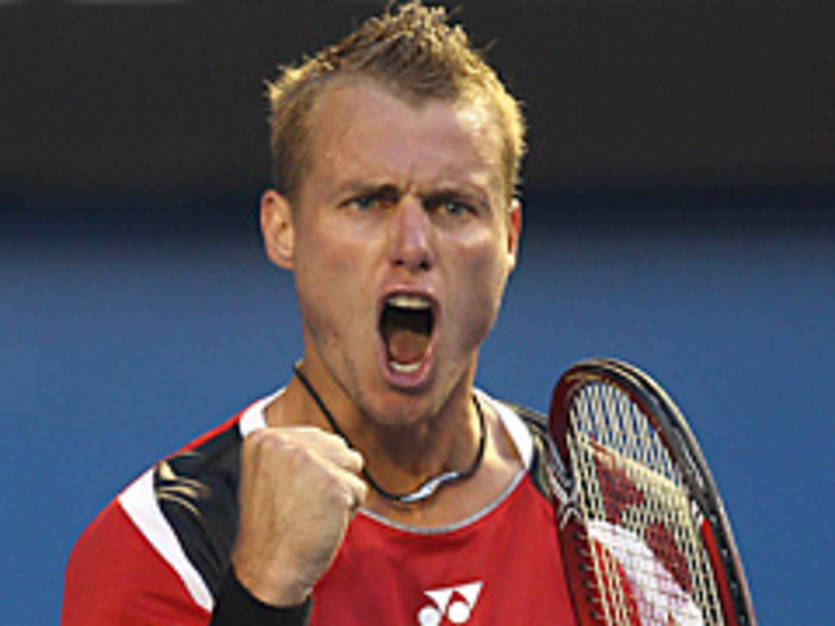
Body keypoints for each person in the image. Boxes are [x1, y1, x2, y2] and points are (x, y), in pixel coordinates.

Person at [62, 3, 577, 624]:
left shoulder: (620, 528)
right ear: (283, 231)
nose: (413, 245)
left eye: (453, 207)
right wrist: (261, 595)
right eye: (369, 202)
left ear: (510, 239)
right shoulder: (164, 547)